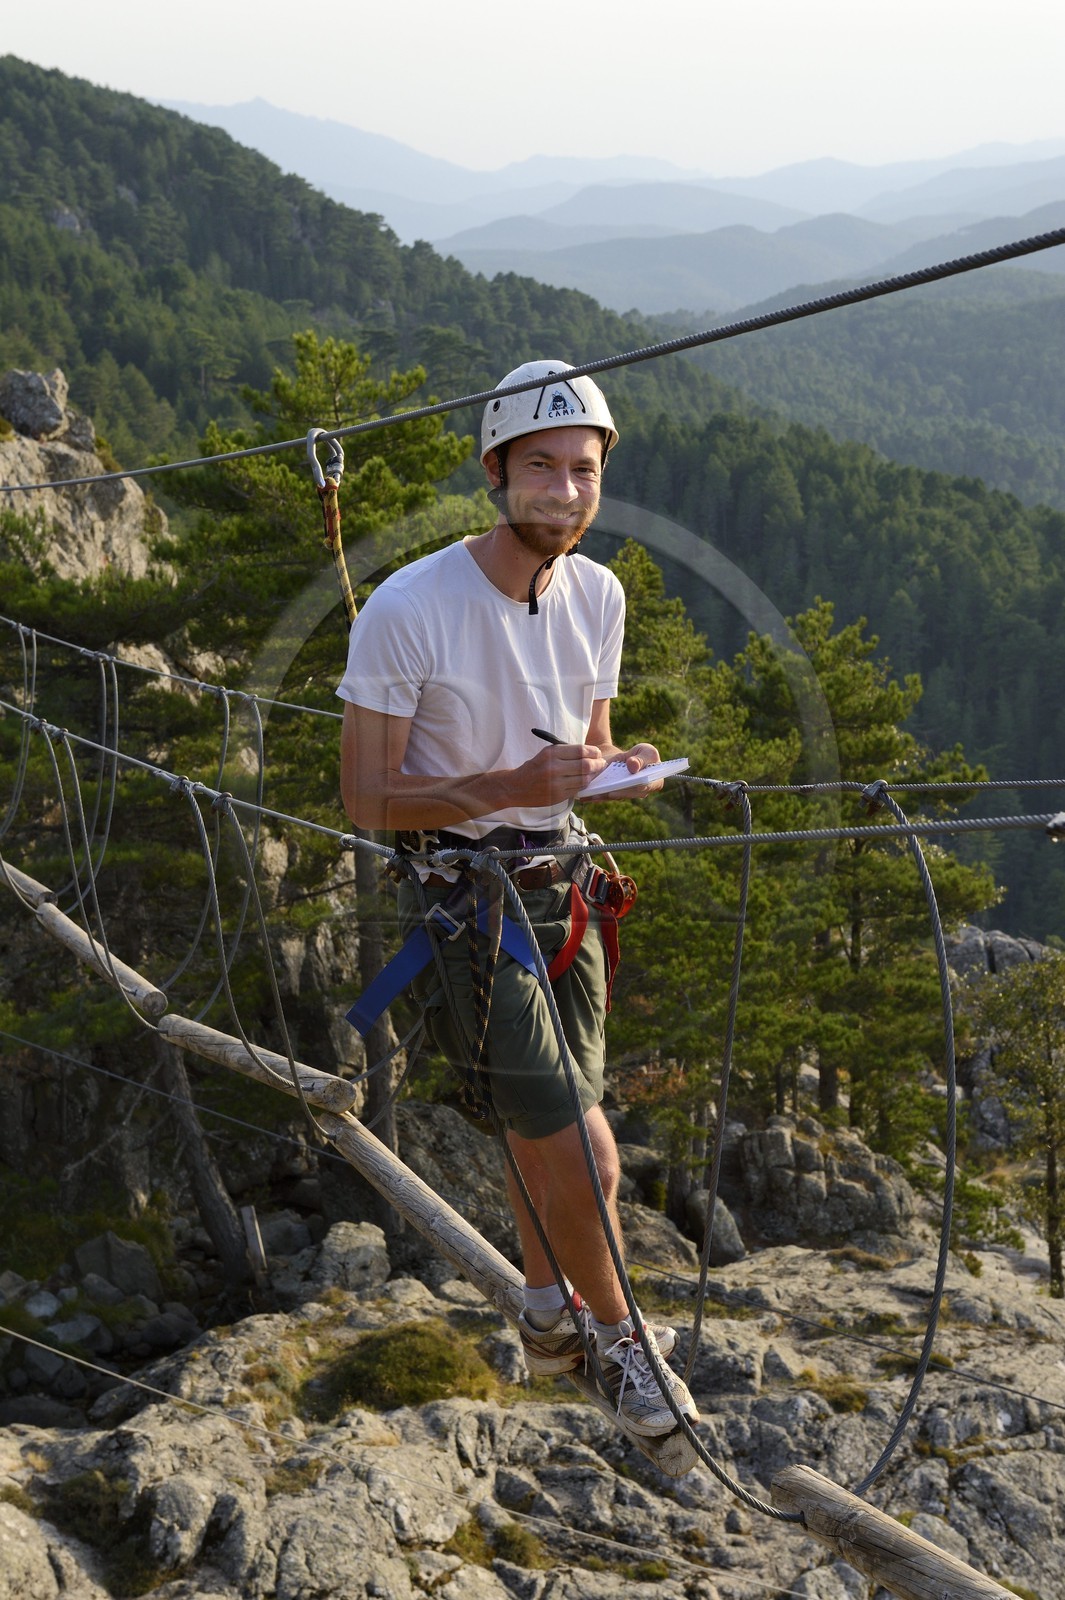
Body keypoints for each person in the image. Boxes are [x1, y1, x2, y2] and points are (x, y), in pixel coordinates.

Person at [337, 360, 698, 1439]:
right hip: (467, 903)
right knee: (580, 1148)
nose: (566, 491)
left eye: (584, 470)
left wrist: (615, 767)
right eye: (541, 467)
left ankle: (546, 1311)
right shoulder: (409, 608)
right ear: (494, 472)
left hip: (564, 887)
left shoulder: (600, 596)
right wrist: (508, 786)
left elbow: (580, 745)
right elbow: (366, 798)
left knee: (569, 1139)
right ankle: (624, 1342)